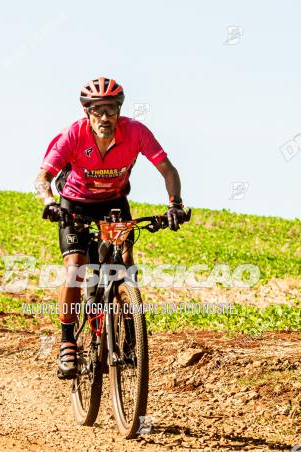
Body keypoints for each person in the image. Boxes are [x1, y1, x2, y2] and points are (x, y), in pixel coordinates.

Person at [35, 76, 187, 379]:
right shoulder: (73, 135)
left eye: (111, 110)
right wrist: (49, 202)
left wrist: (175, 205)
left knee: (125, 263)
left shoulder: (136, 132)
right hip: (74, 205)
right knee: (75, 267)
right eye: (98, 110)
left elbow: (168, 170)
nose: (105, 117)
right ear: (87, 112)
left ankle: (131, 335)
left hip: (113, 205)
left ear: (119, 111)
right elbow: (43, 177)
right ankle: (67, 342)